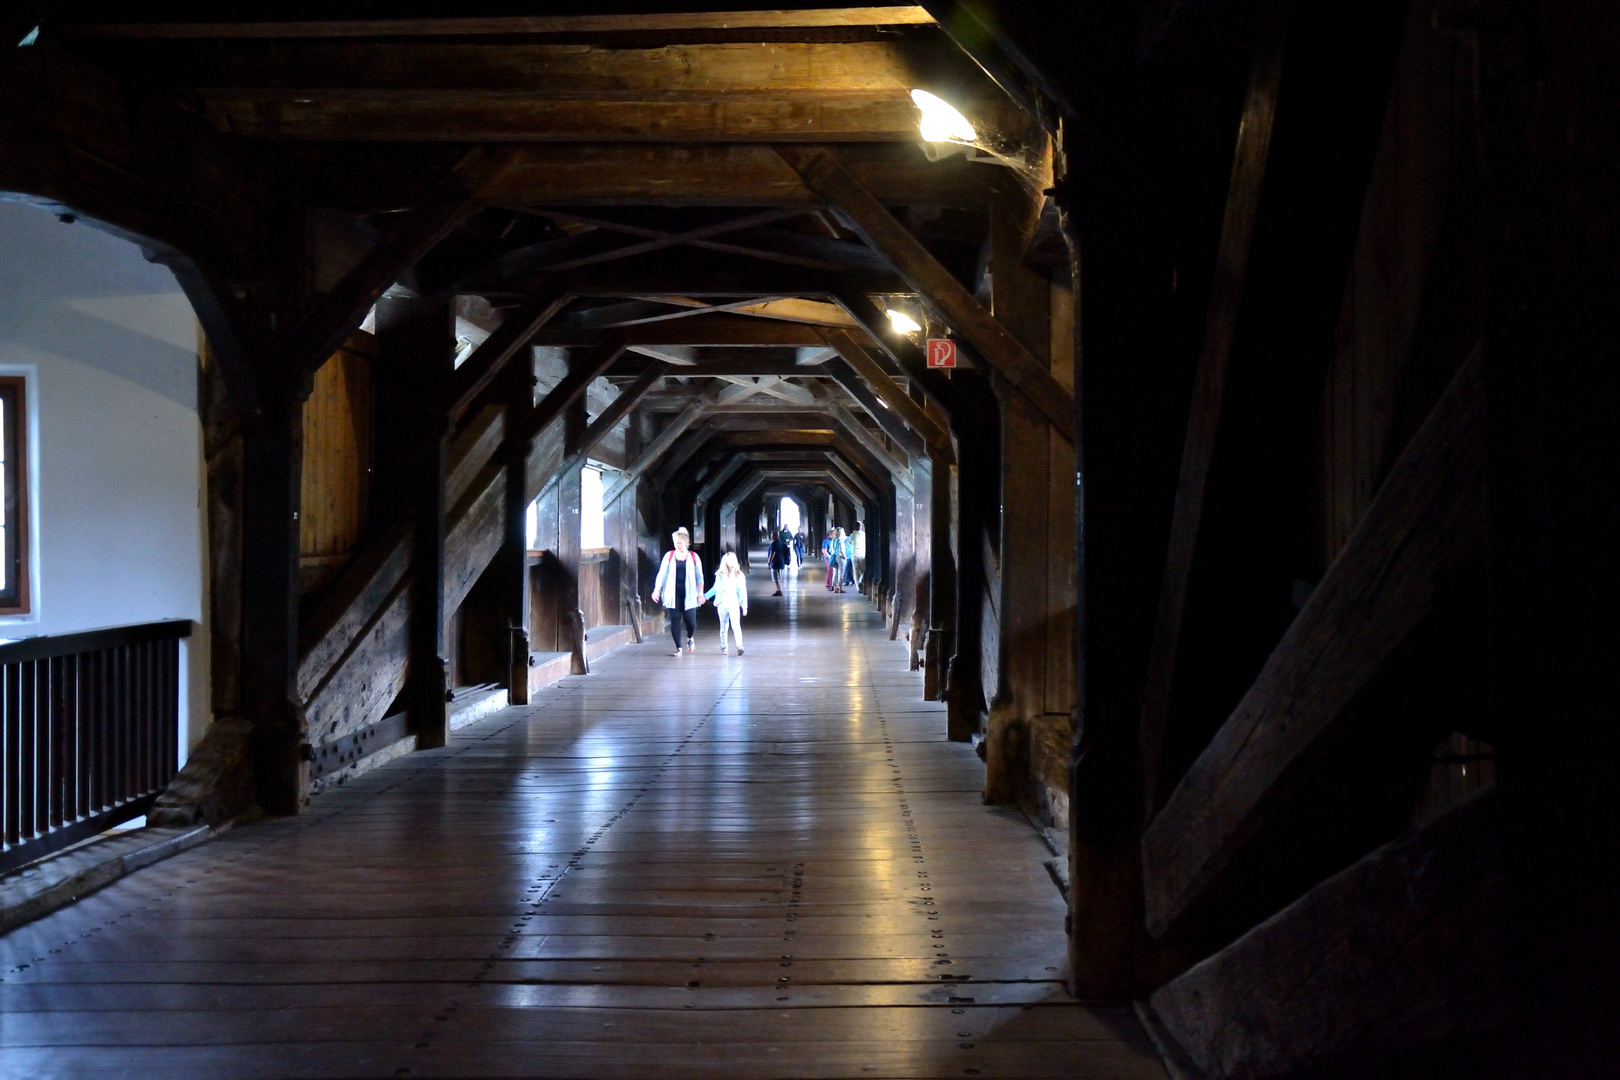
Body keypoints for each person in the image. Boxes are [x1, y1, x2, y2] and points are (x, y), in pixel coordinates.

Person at [651, 527, 705, 656]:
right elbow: (662, 575)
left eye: (680, 543)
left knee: (690, 621)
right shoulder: (669, 556)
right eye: (675, 543)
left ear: (686, 543)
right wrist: (657, 590)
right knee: (675, 619)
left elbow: (699, 576)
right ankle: (678, 648)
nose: (677, 545)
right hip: (673, 593)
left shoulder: (693, 556)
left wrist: (700, 594)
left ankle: (690, 637)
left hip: (690, 593)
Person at [704, 551, 749, 655]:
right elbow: (715, 589)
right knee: (723, 627)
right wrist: (705, 596)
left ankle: (739, 646)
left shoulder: (739, 576)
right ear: (725, 562)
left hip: (734, 604)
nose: (731, 562)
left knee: (736, 626)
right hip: (722, 605)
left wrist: (744, 606)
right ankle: (724, 648)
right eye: (729, 560)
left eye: (733, 559)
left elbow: (742, 592)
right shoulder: (720, 575)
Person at [767, 528, 791, 596]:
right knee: (778, 577)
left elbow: (772, 553)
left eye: (772, 535)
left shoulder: (774, 544)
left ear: (775, 536)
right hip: (781, 562)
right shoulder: (780, 542)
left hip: (775, 563)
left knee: (775, 577)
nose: (771, 537)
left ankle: (779, 590)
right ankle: (779, 589)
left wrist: (769, 562)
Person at [832, 527, 849, 593]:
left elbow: (831, 549)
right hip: (840, 557)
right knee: (841, 573)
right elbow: (841, 550)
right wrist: (845, 556)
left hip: (834, 557)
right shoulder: (840, 540)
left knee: (835, 573)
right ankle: (840, 588)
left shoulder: (833, 540)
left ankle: (834, 588)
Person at [851, 520, 866, 590]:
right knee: (864, 570)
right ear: (861, 527)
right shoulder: (864, 534)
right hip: (862, 554)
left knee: (855, 571)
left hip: (854, 554)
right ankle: (860, 581)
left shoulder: (852, 535)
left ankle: (858, 587)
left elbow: (850, 542)